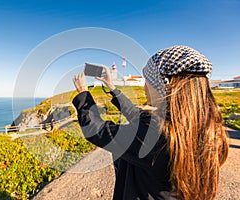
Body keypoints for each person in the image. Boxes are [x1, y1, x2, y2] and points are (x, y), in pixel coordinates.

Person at [72, 46, 229, 200]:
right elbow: (137, 116)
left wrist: (83, 94)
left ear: (161, 86)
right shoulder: (208, 127)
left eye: (147, 80)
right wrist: (111, 87)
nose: (144, 86)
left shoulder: (154, 132)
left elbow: (96, 130)